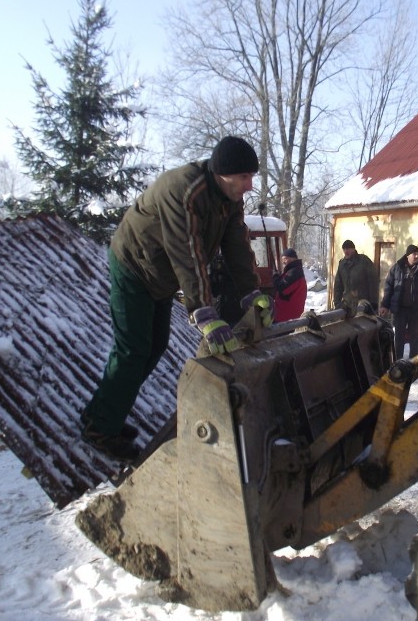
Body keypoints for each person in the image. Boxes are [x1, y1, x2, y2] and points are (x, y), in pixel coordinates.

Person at [81, 136, 274, 461]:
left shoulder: (229, 198)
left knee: (154, 347)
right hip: (135, 266)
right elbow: (188, 253)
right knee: (132, 350)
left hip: (162, 275)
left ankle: (104, 415)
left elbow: (237, 244)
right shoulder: (183, 191)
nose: (250, 185)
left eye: (251, 177)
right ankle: (99, 428)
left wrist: (251, 291)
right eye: (245, 177)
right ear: (223, 174)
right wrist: (204, 312)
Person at [379, 244, 418, 359]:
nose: (417, 256)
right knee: (399, 337)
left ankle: (413, 362)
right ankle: (397, 361)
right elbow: (388, 287)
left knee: (414, 338)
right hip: (400, 309)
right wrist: (385, 305)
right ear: (408, 255)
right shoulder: (397, 268)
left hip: (415, 310)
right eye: (414, 254)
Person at [333, 239, 379, 311]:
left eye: (348, 249)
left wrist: (373, 302)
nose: (346, 251)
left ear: (353, 249)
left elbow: (373, 281)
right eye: (344, 249)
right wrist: (337, 303)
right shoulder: (342, 265)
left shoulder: (363, 261)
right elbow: (338, 286)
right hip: (347, 304)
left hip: (363, 304)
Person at [271, 247, 307, 321]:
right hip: (289, 313)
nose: (284, 262)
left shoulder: (294, 272)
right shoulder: (294, 271)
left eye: (285, 259)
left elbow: (281, 288)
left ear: (293, 258)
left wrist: (275, 276)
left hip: (286, 315)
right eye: (283, 259)